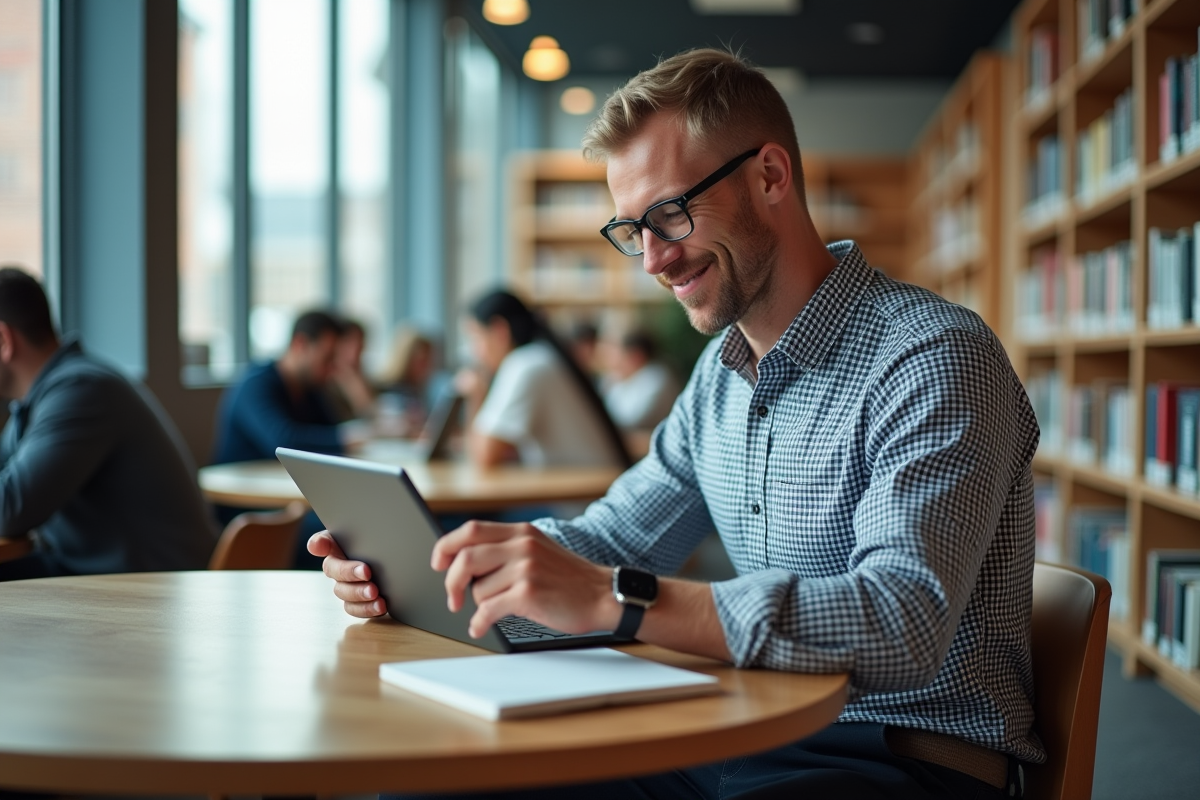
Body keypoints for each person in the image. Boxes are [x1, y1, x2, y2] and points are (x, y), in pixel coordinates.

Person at [312, 48, 1040, 799]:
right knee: (435, 781)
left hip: (899, 759)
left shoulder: (932, 358)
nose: (654, 258)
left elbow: (901, 620)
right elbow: (609, 540)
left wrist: (617, 598)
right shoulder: (716, 382)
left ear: (770, 176)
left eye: (670, 213)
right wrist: (438, 573)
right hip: (741, 721)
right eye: (631, 230)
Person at [0, 266, 216, 581]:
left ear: (4, 340)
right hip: (103, 576)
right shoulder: (45, 397)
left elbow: (8, 510)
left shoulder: (81, 389)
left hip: (151, 593)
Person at [212, 310, 366, 542]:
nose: (332, 369)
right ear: (300, 344)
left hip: (293, 502)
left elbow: (332, 431)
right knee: (349, 533)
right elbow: (284, 441)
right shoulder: (255, 385)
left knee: (358, 523)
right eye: (327, 359)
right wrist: (347, 438)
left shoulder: (310, 390)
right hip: (248, 510)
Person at [456, 290, 632, 470]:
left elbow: (484, 456)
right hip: (591, 486)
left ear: (500, 331)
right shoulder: (542, 355)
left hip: (582, 494)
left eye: (475, 337)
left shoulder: (525, 364)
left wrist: (476, 396)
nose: (474, 352)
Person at [601, 328, 680, 429]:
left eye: (617, 354)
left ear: (636, 355)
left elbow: (630, 423)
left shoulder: (656, 378)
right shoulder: (623, 378)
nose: (613, 361)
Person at [326, 317, 377, 423]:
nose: (356, 349)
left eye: (360, 343)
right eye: (350, 342)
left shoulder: (361, 376)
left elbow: (373, 415)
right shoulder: (324, 380)